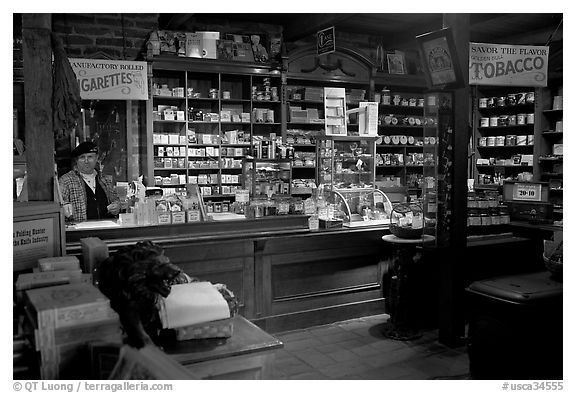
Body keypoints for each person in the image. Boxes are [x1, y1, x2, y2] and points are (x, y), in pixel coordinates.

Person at [59, 141, 120, 222]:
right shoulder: (66, 181)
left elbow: (115, 200)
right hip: (81, 231)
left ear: (97, 158)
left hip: (106, 229)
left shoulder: (105, 179)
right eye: (82, 157)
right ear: (76, 160)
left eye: (90, 157)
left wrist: (116, 207)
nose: (86, 161)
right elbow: (60, 207)